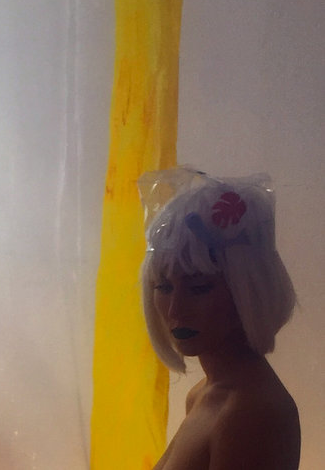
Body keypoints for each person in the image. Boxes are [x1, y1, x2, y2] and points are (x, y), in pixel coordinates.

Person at [138, 167, 300, 470]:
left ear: (248, 289)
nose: (175, 310)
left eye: (199, 288)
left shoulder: (252, 413)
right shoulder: (203, 394)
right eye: (163, 287)